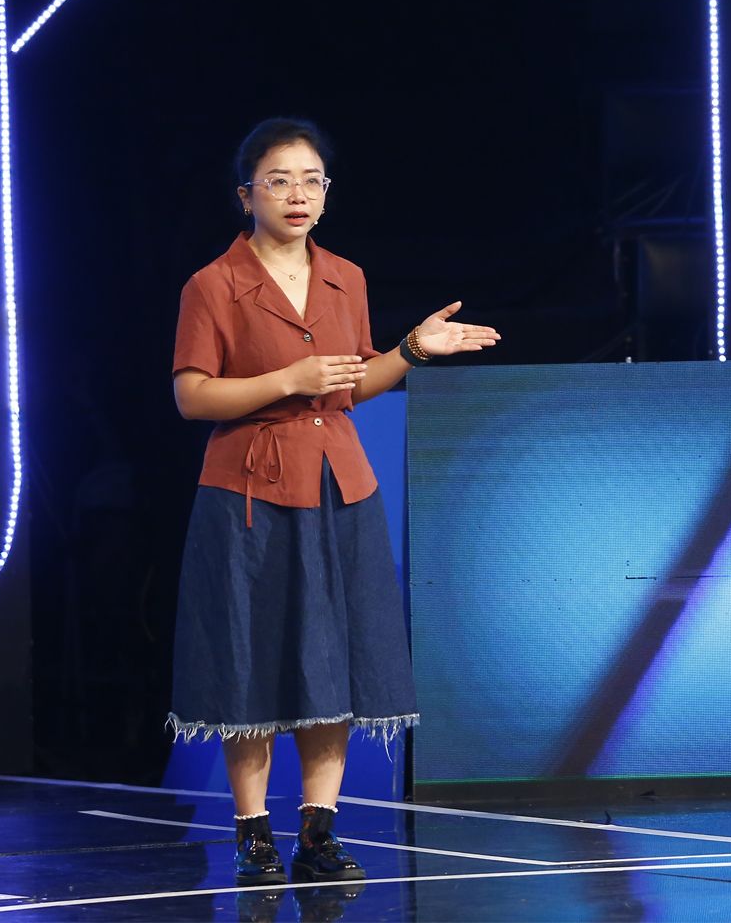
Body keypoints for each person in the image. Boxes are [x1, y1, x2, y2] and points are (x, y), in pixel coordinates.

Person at [168, 118, 499, 886]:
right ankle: (254, 834)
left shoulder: (346, 276)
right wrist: (288, 380)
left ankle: (318, 831)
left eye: (311, 180)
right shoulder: (213, 285)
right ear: (245, 193)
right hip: (248, 489)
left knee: (334, 662)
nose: (297, 194)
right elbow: (192, 397)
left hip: (339, 484)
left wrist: (413, 352)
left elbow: (349, 385)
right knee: (250, 660)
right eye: (279, 180)